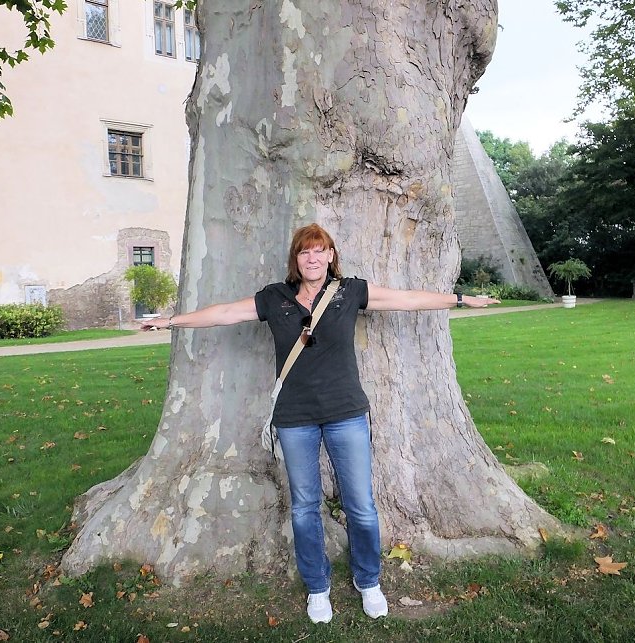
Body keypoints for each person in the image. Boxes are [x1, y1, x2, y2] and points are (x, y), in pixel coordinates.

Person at [141, 223, 499, 623]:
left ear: (331, 255)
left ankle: (369, 581)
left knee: (360, 505)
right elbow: (224, 313)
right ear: (296, 260)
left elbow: (407, 299)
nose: (312, 258)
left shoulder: (350, 292)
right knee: (304, 507)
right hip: (295, 418)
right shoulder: (274, 299)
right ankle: (317, 587)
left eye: (320, 251)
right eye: (304, 252)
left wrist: (461, 298)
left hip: (346, 413)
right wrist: (172, 321)